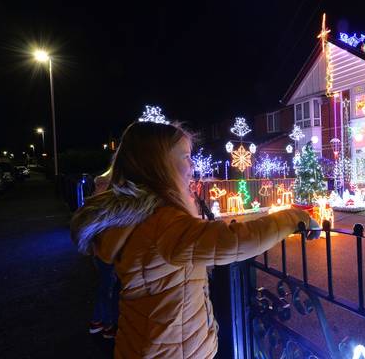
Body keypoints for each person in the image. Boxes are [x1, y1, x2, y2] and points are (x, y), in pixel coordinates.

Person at [70, 120, 318, 358]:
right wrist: (295, 218)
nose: (192, 166)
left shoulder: (136, 215)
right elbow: (234, 242)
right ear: (158, 164)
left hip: (146, 345)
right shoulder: (162, 223)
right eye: (185, 157)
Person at [88, 168, 120, 339]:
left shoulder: (95, 202)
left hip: (100, 251)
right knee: (108, 287)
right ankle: (105, 324)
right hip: (104, 252)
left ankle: (100, 322)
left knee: (107, 286)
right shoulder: (103, 203)